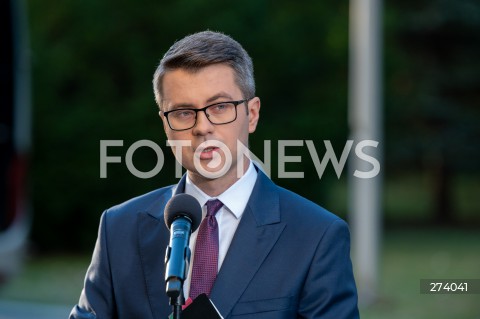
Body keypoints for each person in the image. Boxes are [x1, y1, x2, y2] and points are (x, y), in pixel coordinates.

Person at [70, 30, 359, 319]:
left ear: (253, 114)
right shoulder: (118, 228)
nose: (202, 127)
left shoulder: (316, 236)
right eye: (183, 112)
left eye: (220, 107)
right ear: (165, 125)